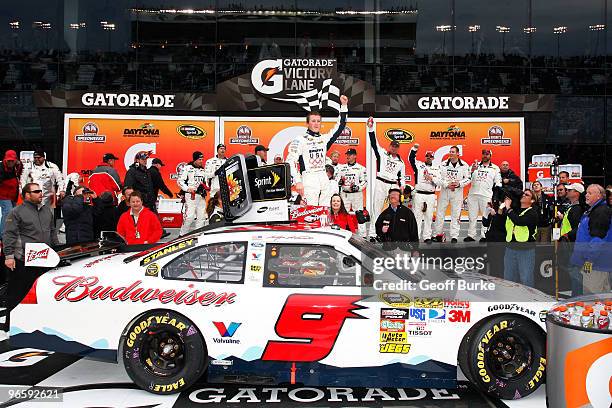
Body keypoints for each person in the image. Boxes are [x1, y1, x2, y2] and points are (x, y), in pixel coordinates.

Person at [3, 183, 59, 309]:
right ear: (27, 195)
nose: (41, 193)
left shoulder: (46, 210)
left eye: (41, 191)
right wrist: (9, 256)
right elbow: (9, 234)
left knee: (41, 294)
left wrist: (58, 250)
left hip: (44, 260)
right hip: (23, 261)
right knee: (18, 294)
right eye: (37, 191)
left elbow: (52, 231)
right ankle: (11, 324)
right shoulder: (16, 212)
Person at [286, 95, 349, 206]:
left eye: (318, 121)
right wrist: (298, 181)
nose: (316, 124)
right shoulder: (300, 139)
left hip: (323, 176)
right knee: (311, 210)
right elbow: (290, 161)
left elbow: (340, 126)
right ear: (307, 123)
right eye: (313, 121)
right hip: (309, 177)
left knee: (326, 209)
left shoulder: (324, 139)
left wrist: (343, 106)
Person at [367, 117, 406, 240]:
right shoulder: (382, 153)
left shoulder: (401, 162)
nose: (394, 148)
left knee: (392, 211)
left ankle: (388, 234)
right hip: (381, 182)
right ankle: (373, 234)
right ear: (389, 146)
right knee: (376, 209)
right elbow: (374, 142)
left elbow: (402, 177)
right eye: (392, 146)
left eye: (396, 146)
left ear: (398, 148)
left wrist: (402, 186)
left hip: (392, 186)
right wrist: (371, 128)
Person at [570, 184, 611, 294]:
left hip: (596, 264)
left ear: (599, 196)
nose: (586, 195)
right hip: (597, 263)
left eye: (590, 193)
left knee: (592, 298)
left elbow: (598, 239)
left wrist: (589, 260)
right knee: (602, 297)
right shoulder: (594, 210)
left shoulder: (600, 212)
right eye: (586, 192)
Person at [433, 146, 471, 243]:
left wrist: (459, 184)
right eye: (450, 151)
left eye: (453, 152)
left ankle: (454, 236)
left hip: (457, 193)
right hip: (445, 191)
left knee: (456, 214)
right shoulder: (443, 164)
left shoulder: (464, 165)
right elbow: (437, 178)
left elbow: (468, 178)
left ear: (458, 154)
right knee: (440, 213)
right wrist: (447, 184)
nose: (451, 153)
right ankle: (438, 234)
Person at [503, 189, 538, 286]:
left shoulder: (532, 212)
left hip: (525, 250)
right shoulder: (515, 210)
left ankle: (529, 300)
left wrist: (508, 207)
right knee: (508, 279)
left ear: (532, 201)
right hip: (510, 248)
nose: (523, 195)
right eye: (523, 193)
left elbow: (519, 221)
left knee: (526, 279)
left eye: (527, 195)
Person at [465, 149, 501, 242]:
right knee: (472, 216)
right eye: (483, 154)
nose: (485, 156)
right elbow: (467, 177)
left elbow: (498, 182)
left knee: (486, 216)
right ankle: (471, 235)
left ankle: (484, 235)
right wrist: (472, 170)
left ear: (490, 156)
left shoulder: (495, 168)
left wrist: (496, 196)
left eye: (487, 154)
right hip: (473, 194)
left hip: (486, 195)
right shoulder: (474, 165)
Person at [559, 183, 586, 296]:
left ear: (576, 193)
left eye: (570, 190)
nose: (568, 191)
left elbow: (579, 227)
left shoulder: (577, 209)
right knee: (573, 273)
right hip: (570, 244)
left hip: (572, 245)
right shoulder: (573, 207)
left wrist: (567, 235)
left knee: (575, 273)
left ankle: (577, 298)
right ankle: (576, 296)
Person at [408, 144, 439, 243]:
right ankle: (415, 236)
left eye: (431, 156)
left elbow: (439, 182)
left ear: (433, 158)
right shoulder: (419, 165)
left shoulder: (437, 169)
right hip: (419, 194)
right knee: (417, 216)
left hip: (430, 194)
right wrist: (414, 149)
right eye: (427, 156)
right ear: (425, 156)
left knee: (429, 216)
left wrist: (432, 178)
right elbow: (411, 159)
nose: (429, 158)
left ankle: (427, 237)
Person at [336, 148, 367, 236]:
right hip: (345, 193)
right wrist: (339, 182)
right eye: (347, 155)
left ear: (355, 156)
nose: (348, 156)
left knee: (359, 214)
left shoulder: (361, 168)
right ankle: (342, 233)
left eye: (350, 155)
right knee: (343, 213)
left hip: (356, 194)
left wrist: (358, 187)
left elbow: (365, 181)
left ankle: (363, 235)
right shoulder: (342, 168)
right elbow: (337, 179)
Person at [178, 151, 208, 235]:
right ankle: (182, 235)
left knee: (201, 217)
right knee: (189, 217)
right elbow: (180, 181)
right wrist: (188, 189)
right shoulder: (187, 168)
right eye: (199, 159)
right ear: (194, 159)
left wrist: (206, 186)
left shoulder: (202, 170)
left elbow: (205, 182)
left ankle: (198, 235)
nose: (201, 161)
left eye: (202, 159)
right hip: (191, 196)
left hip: (201, 196)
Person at [0, 150, 22, 240]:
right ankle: (2, 235)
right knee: (7, 213)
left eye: (12, 161)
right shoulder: (1, 167)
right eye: (8, 160)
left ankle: (9, 233)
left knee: (12, 214)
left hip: (13, 196)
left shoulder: (17, 166)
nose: (10, 162)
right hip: (3, 195)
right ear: (5, 159)